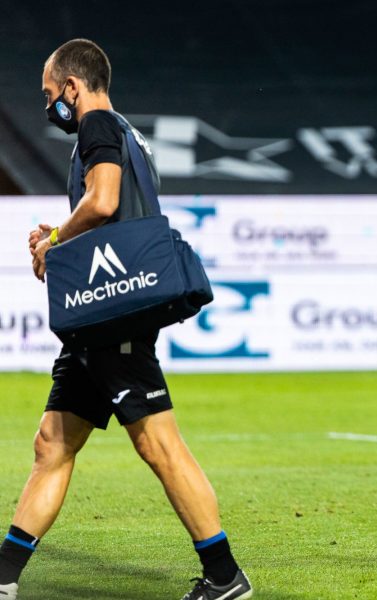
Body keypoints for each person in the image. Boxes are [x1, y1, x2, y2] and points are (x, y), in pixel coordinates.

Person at [0, 39, 253, 600]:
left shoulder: (96, 125)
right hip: (105, 313)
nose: (50, 108)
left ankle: (225, 575)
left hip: (111, 313)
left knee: (160, 445)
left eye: (50, 96)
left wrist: (57, 240)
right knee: (53, 442)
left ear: (72, 86)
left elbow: (106, 200)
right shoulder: (127, 133)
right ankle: (3, 576)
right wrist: (63, 234)